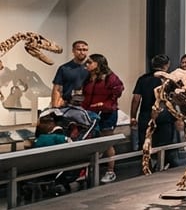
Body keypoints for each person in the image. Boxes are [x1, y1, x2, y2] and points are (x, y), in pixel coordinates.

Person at [81, 53, 124, 183]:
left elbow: (118, 90)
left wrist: (106, 104)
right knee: (89, 141)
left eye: (90, 62)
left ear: (98, 63)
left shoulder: (110, 77)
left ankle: (110, 171)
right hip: (89, 114)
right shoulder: (87, 78)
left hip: (106, 113)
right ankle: (87, 171)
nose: (87, 65)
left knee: (107, 141)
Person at [130, 54, 173, 152]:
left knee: (145, 144)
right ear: (166, 65)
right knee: (164, 145)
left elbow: (136, 98)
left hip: (146, 115)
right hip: (164, 115)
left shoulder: (143, 79)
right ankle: (163, 165)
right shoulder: (168, 80)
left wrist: (133, 116)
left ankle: (147, 165)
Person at [51, 40, 89, 107]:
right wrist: (55, 106)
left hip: (87, 106)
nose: (82, 52)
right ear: (73, 51)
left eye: (85, 50)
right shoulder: (64, 68)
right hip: (68, 105)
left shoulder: (92, 69)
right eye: (79, 49)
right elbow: (57, 89)